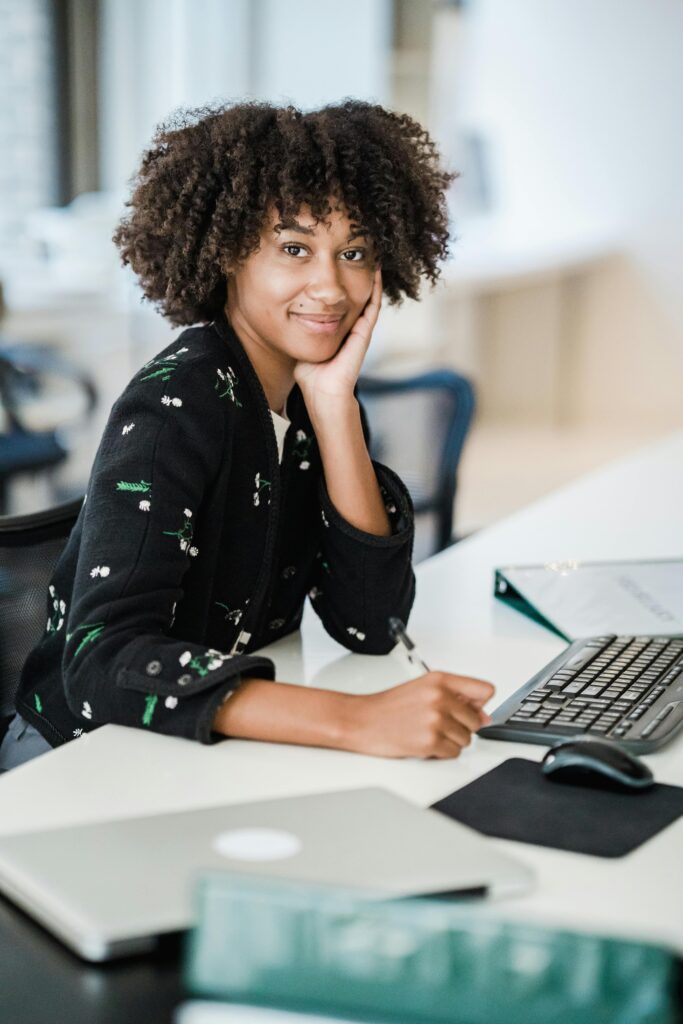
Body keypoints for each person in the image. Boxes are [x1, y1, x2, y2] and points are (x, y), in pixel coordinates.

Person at [0, 100, 494, 773]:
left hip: (210, 743)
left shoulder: (314, 395)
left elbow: (371, 625)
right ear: (227, 251)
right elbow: (101, 659)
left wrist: (335, 410)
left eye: (354, 252)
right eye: (294, 248)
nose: (329, 285)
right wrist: (354, 719)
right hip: (76, 760)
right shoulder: (175, 405)